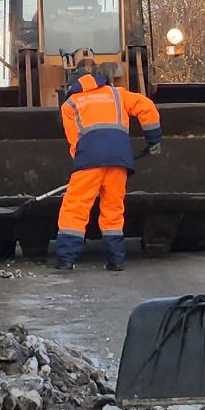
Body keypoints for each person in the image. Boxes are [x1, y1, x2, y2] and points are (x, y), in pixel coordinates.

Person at [54, 68, 161, 272]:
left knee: (76, 207)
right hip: (120, 159)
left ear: (73, 85)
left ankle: (66, 259)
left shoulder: (70, 103)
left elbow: (74, 142)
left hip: (89, 160)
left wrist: (81, 164)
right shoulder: (118, 94)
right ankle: (116, 260)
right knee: (113, 209)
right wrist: (153, 139)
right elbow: (146, 106)